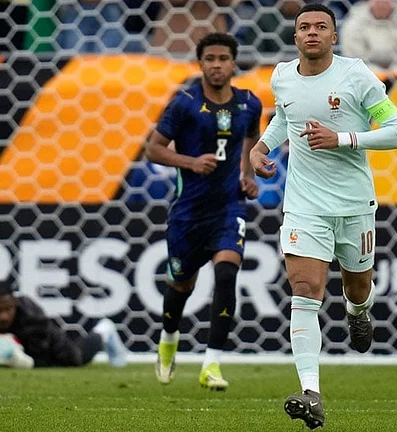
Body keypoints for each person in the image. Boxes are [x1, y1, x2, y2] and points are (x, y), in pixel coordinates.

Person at [249, 4, 397, 428]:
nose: (313, 33)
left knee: (358, 288)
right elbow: (285, 118)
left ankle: (359, 314)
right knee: (305, 289)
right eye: (305, 27)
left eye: (322, 27)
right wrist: (261, 147)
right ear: (296, 36)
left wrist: (343, 138)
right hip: (304, 205)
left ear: (334, 36)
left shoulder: (356, 76)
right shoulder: (282, 76)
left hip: (354, 204)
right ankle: (311, 392)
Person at [145, 32, 262, 391]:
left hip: (229, 207)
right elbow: (153, 149)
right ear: (200, 63)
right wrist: (191, 162)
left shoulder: (248, 103)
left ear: (233, 63)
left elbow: (250, 141)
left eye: (223, 58)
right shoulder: (184, 103)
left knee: (227, 275)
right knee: (182, 284)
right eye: (209, 58)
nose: (216, 65)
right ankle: (168, 339)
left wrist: (247, 174)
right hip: (188, 213)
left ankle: (211, 363)